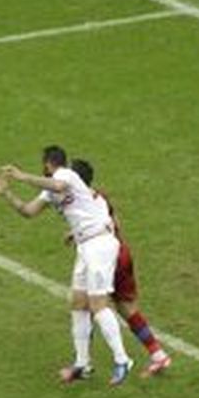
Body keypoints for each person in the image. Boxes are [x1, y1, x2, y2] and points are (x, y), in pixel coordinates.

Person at [0, 146, 134, 385]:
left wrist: (22, 176)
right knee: (78, 303)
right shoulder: (49, 191)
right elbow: (28, 211)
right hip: (85, 246)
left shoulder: (67, 175)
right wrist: (6, 193)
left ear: (48, 164)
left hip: (100, 243)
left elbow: (58, 186)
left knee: (98, 305)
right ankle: (82, 364)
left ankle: (123, 360)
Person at [70, 160, 172, 378]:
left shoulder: (79, 202)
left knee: (88, 304)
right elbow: (114, 223)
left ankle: (87, 363)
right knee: (126, 309)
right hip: (121, 252)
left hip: (107, 259)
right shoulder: (100, 197)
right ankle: (158, 355)